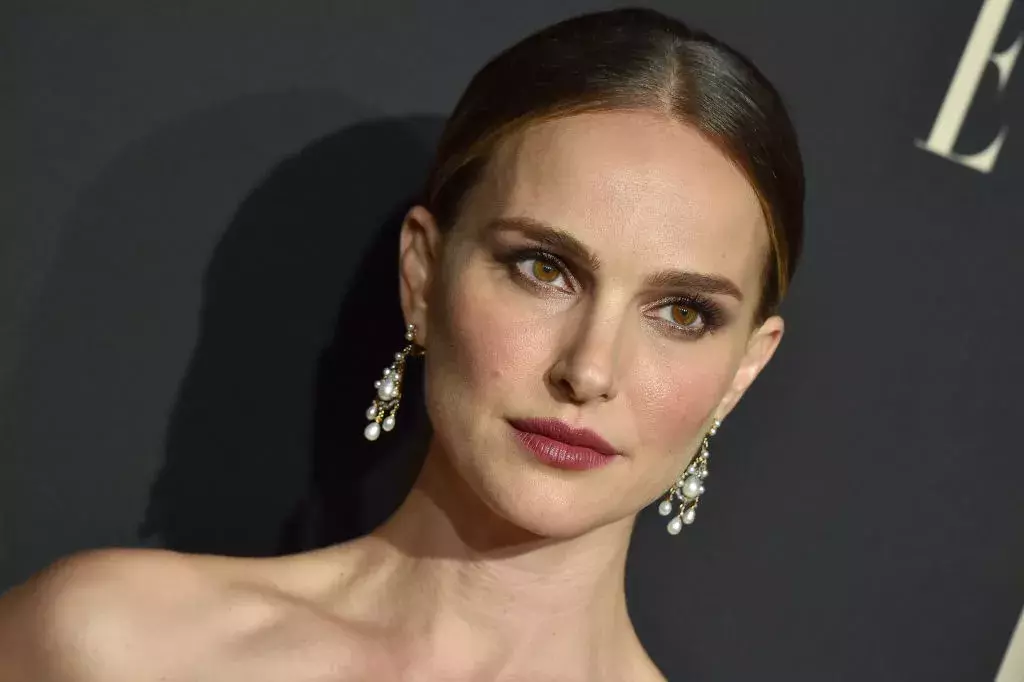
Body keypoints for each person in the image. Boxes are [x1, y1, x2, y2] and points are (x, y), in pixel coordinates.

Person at [0, 7, 804, 681]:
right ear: (421, 275)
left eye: (682, 314)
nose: (589, 370)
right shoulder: (113, 648)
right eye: (543, 268)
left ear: (743, 369)